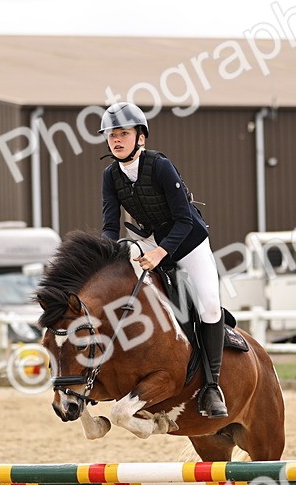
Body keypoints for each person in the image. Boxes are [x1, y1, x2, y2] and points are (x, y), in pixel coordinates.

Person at [98, 101, 228, 418]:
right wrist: (103, 260)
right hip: (150, 242)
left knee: (210, 305)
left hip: (189, 242)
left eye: (123, 133)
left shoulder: (160, 166)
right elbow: (110, 226)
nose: (116, 140)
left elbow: (183, 220)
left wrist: (160, 252)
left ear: (140, 137)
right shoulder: (110, 175)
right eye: (112, 135)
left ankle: (212, 387)